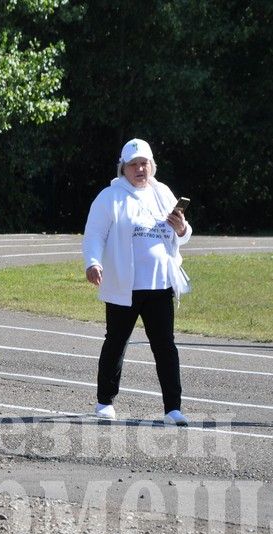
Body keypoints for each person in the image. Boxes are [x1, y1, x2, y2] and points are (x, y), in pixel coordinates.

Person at [82, 138, 192, 426]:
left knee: (165, 346)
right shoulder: (110, 197)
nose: (140, 169)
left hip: (159, 285)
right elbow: (94, 234)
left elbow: (182, 232)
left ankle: (173, 408)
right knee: (116, 343)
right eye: (134, 164)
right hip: (124, 286)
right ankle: (105, 401)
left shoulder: (163, 193)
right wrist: (92, 262)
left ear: (152, 165)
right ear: (124, 168)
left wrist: (182, 228)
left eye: (144, 163)